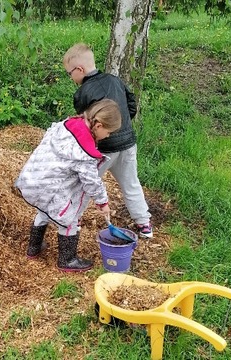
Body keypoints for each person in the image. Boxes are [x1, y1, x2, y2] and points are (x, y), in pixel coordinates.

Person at [15, 99, 122, 272]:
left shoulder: (66, 125)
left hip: (34, 180)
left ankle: (33, 248)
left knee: (43, 211)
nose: (108, 136)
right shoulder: (84, 152)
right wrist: (102, 202)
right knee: (70, 220)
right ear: (99, 126)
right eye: (109, 132)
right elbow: (91, 181)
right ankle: (67, 259)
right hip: (52, 188)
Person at [62, 43, 153, 238]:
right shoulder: (115, 80)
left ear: (80, 69)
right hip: (128, 142)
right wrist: (122, 125)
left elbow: (86, 125)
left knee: (86, 184)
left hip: (103, 149)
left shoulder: (82, 93)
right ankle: (144, 223)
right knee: (131, 183)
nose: (71, 78)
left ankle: (73, 219)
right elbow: (131, 103)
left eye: (70, 73)